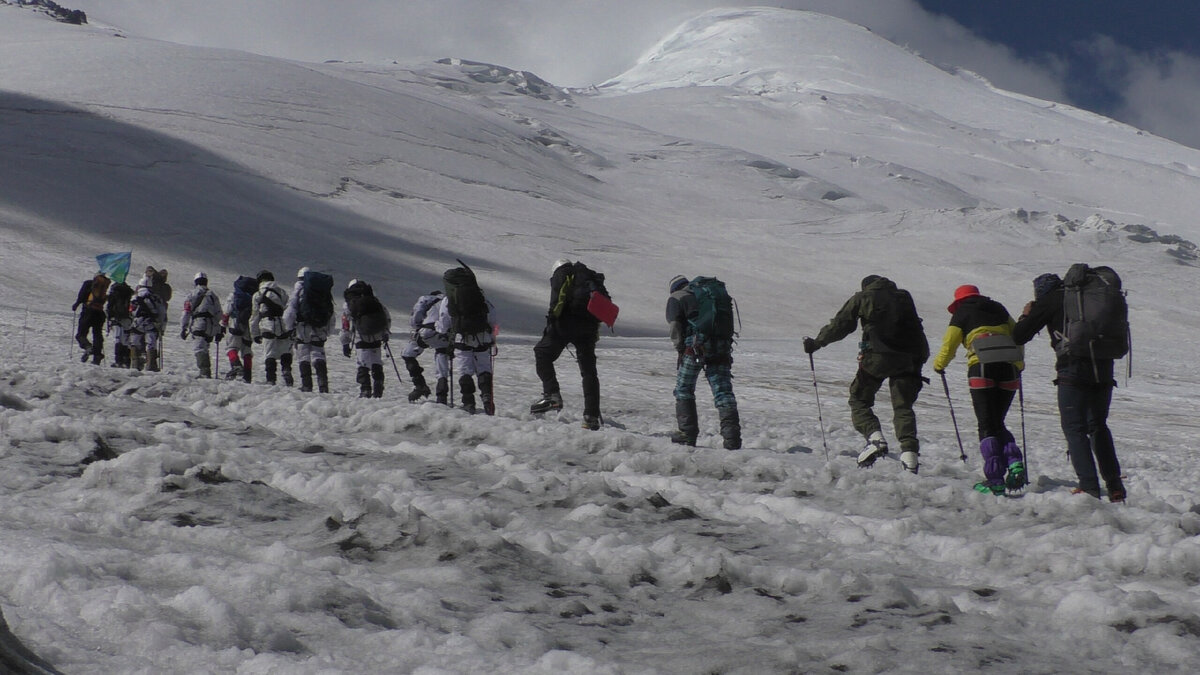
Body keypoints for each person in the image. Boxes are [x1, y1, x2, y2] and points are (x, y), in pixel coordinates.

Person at [1012, 271, 1126, 502]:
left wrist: (1027, 315)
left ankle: (1089, 487)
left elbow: (1019, 336)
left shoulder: (1051, 299)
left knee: (1074, 428)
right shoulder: (1089, 298)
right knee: (1098, 426)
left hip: (1073, 368)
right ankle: (1114, 485)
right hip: (1103, 367)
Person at [803, 275, 929, 473]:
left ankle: (875, 438)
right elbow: (917, 329)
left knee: (859, 399)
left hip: (877, 358)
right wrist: (920, 360)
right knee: (903, 406)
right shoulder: (904, 297)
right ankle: (910, 456)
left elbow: (841, 324)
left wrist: (817, 343)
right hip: (909, 359)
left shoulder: (863, 297)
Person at [931, 285, 1027, 493]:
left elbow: (950, 343)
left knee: (986, 424)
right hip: (1009, 369)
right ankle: (1014, 462)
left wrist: (939, 365)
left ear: (958, 301)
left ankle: (995, 480)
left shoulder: (962, 313)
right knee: (997, 422)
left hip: (981, 368)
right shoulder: (999, 308)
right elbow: (1017, 336)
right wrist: (1018, 364)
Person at [665, 274, 742, 449]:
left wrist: (680, 349)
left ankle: (687, 434)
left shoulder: (676, 297)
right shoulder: (707, 294)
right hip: (721, 345)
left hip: (696, 347)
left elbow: (675, 327)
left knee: (684, 388)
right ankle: (732, 439)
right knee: (723, 391)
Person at [530, 259, 605, 430]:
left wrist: (551, 324)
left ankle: (552, 395)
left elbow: (558, 300)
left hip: (565, 324)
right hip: (589, 329)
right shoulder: (589, 278)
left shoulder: (562, 273)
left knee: (542, 353)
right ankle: (591, 416)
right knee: (589, 371)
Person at [437, 264, 497, 414]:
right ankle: (487, 398)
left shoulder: (449, 299)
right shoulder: (480, 294)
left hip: (461, 338)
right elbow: (492, 315)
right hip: (483, 337)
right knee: (483, 368)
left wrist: (443, 331)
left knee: (465, 370)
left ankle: (468, 402)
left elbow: (444, 319)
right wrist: (492, 336)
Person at [284, 267, 337, 393]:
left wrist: (289, 328)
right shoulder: (323, 291)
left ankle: (307, 385)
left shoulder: (298, 291)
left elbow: (290, 312)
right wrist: (328, 330)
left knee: (303, 356)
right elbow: (331, 312)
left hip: (303, 328)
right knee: (318, 355)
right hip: (320, 328)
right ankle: (323, 385)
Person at [340, 279, 392, 398]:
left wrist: (345, 343)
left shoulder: (350, 304)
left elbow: (345, 325)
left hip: (360, 336)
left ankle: (365, 389)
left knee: (362, 363)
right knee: (376, 361)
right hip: (377, 335)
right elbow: (386, 316)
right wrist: (385, 333)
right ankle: (378, 384)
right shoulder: (374, 300)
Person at [400, 290, 450, 403]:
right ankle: (442, 396)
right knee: (441, 358)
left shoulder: (427, 299)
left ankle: (420, 385)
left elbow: (415, 319)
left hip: (427, 332)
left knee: (407, 354)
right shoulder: (448, 301)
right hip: (445, 335)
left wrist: (418, 325)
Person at [249, 270, 294, 387]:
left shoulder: (257, 295)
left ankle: (271, 379)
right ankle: (286, 370)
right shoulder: (281, 292)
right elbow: (287, 308)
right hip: (281, 324)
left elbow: (255, 316)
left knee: (269, 354)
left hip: (267, 325)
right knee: (285, 350)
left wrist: (255, 334)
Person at [179, 272, 223, 378]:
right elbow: (219, 313)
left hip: (199, 323)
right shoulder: (213, 295)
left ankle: (204, 371)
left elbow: (186, 311)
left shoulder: (192, 294)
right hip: (211, 325)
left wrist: (183, 327)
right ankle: (206, 370)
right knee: (205, 346)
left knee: (199, 347)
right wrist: (217, 329)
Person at [220, 275, 258, 383]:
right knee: (247, 350)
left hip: (235, 323)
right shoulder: (254, 296)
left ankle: (236, 365)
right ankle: (247, 375)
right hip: (249, 325)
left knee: (231, 347)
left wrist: (223, 325)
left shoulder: (234, 295)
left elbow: (227, 310)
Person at [128, 275, 168, 372]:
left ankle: (135, 364)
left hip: (137, 323)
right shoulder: (156, 297)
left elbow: (130, 311)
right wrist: (162, 328)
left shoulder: (135, 297)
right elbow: (162, 313)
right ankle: (151, 365)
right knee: (151, 344)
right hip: (151, 323)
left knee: (135, 343)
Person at [72, 271, 110, 364]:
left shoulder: (89, 283)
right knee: (97, 334)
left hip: (88, 311)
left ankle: (88, 347)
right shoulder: (105, 287)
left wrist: (76, 304)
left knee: (81, 335)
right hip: (100, 313)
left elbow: (81, 296)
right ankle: (97, 356)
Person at [105, 279, 135, 368]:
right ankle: (126, 360)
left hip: (116, 317)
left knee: (118, 339)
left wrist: (109, 316)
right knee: (125, 340)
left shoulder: (114, 291)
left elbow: (110, 305)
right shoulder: (128, 291)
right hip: (127, 318)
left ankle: (118, 360)